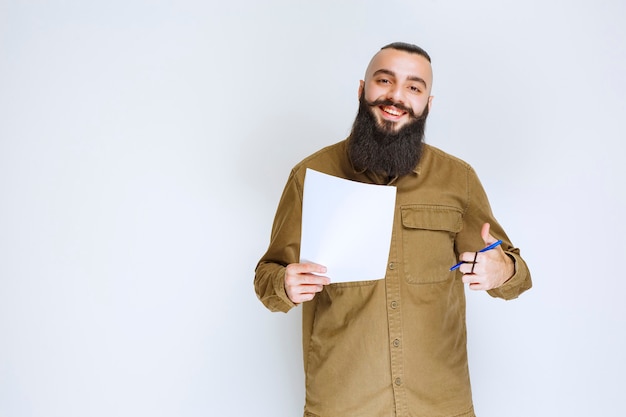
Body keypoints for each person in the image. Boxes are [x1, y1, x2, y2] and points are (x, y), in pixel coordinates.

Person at [254, 42, 532, 417]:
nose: (396, 96)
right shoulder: (310, 175)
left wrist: (504, 269)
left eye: (413, 88)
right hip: (343, 402)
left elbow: (514, 272)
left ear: (427, 105)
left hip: (440, 403)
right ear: (361, 89)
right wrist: (284, 284)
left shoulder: (458, 179)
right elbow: (267, 278)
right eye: (384, 80)